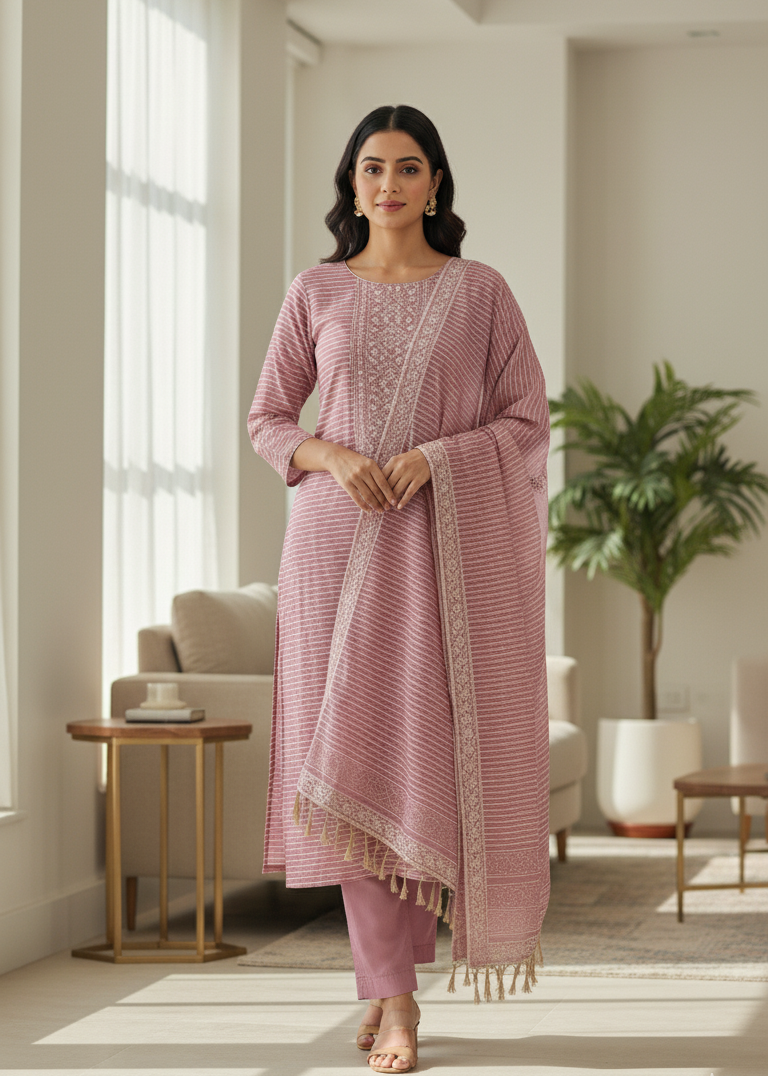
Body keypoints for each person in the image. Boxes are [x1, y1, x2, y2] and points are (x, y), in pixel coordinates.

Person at [248, 104, 551, 1073]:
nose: (388, 184)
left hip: (437, 547)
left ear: (435, 183)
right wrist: (332, 454)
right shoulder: (315, 289)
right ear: (351, 183)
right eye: (372, 167)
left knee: (417, 757)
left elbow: (526, 418)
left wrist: (436, 458)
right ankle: (396, 998)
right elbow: (266, 419)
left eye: (408, 167)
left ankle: (388, 989)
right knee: (347, 758)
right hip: (331, 546)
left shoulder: (480, 292)